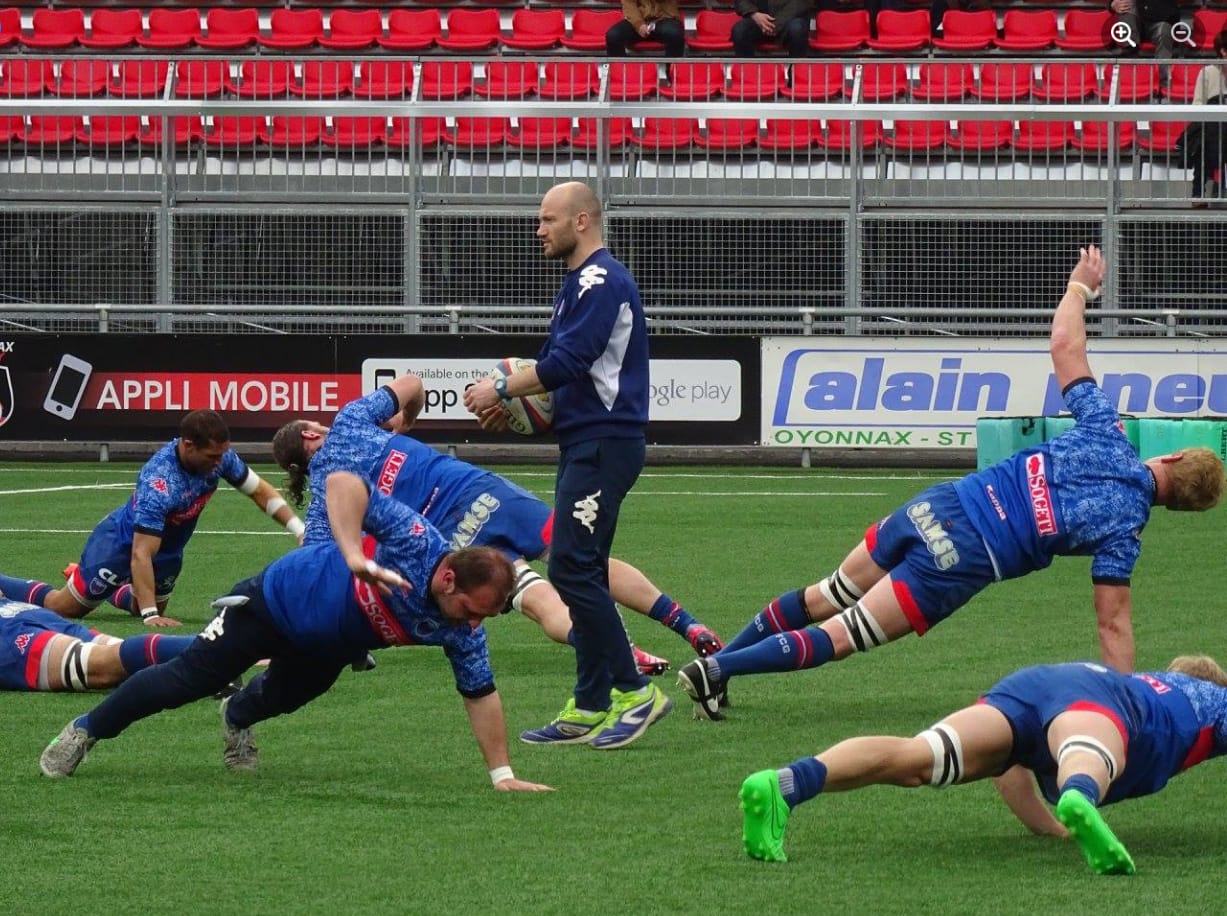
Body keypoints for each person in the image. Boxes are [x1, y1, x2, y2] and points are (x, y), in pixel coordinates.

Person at [678, 246, 1225, 720]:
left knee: (828, 594)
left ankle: (718, 667)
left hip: (941, 503)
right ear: (1180, 507)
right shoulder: (1125, 533)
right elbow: (1113, 623)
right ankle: (717, 670)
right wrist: (1125, 703)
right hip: (961, 558)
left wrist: (1079, 287)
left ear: (1171, 455)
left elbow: (1064, 344)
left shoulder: (1108, 430)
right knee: (843, 635)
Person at [40, 471, 552, 794]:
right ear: (448, 579)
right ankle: (86, 729)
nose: (473, 624)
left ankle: (235, 716)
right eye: (471, 610)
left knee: (281, 699)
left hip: (328, 647)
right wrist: (353, 554)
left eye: (485, 617)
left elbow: (481, 693)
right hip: (269, 604)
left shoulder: (463, 629)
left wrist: (503, 777)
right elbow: (344, 483)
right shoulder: (416, 541)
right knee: (188, 679)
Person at [272, 410, 724, 675]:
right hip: (479, 491)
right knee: (583, 560)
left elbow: (314, 569)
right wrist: (403, 421)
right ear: (311, 434)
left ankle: (617, 653)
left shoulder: (324, 500)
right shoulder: (352, 421)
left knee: (534, 599)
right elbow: (412, 385)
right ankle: (689, 626)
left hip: (448, 539)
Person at [464, 180, 671, 750]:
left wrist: (499, 389)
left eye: (548, 219)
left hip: (604, 444)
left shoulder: (600, 280)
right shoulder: (577, 283)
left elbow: (569, 361)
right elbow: (566, 377)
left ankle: (635, 692)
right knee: (584, 568)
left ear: (582, 221)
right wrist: (521, 413)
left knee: (573, 569)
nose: (539, 230)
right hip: (587, 441)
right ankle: (590, 702)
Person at [739, 655, 1227, 873]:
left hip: (1030, 686)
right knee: (1093, 744)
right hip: (1097, 701)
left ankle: (787, 783)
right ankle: (1080, 790)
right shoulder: (1209, 698)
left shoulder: (1142, 681)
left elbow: (1008, 772)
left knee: (917, 757)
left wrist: (1050, 829)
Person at [0, 410, 304, 629]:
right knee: (64, 607)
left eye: (221, 455)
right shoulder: (159, 482)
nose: (219, 463)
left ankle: (113, 588)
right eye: (212, 456)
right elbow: (141, 553)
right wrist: (151, 616)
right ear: (188, 445)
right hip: (121, 545)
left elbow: (259, 491)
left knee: (142, 604)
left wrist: (298, 529)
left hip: (168, 550)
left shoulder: (221, 458)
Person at [0, 597, 195, 692]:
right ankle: (210, 650)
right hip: (18, 613)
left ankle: (212, 648)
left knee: (108, 663)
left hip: (12, 625)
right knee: (120, 660)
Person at [1188, 28, 1227, 208]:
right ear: (1223, 51)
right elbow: (1197, 105)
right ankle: (1197, 193)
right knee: (1202, 140)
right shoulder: (1207, 73)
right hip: (1212, 128)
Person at [1109, 0, 1178, 71]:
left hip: (1160, 20)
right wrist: (1113, 4)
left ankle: (1164, 75)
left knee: (1164, 30)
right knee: (1126, 5)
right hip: (1135, 25)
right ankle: (1130, 66)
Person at [731, 0, 814, 58]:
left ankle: (797, 73)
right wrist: (754, 14)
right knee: (740, 30)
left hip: (789, 20)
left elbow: (802, 3)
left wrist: (775, 24)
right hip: (758, 20)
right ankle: (748, 74)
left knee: (797, 29)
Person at [606, 0, 686, 57]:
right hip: (638, 19)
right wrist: (639, 24)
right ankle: (621, 71)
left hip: (665, 18)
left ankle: (672, 73)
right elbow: (629, 5)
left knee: (675, 34)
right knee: (613, 35)